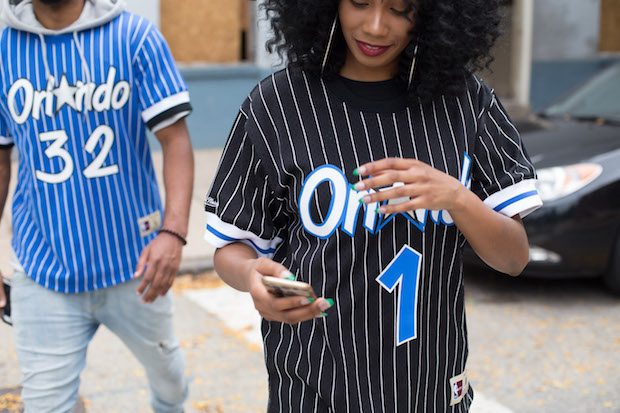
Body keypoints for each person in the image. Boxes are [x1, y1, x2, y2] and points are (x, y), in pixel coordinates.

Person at [205, 0, 543, 411]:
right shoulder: (277, 107)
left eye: (401, 9)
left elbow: (514, 258)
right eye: (360, 3)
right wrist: (250, 275)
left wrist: (456, 197)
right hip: (312, 392)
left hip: (430, 393)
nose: (377, 26)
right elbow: (232, 248)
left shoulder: (467, 104)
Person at [0, 0, 194, 411]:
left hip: (137, 265)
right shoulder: (4, 49)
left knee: (171, 384)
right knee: (46, 404)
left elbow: (175, 140)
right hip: (44, 267)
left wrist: (173, 233)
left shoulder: (135, 38)